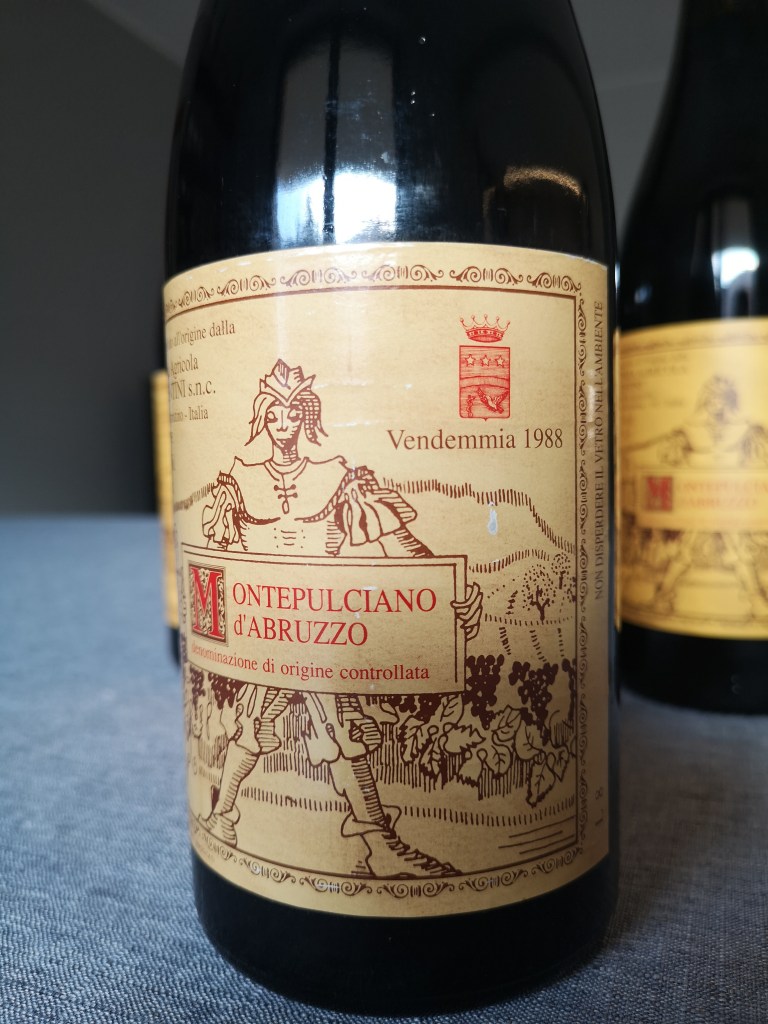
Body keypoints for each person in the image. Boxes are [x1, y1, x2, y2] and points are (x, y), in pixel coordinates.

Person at [199, 359, 481, 878]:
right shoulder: (239, 480)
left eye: (293, 413)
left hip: (325, 629)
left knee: (326, 728)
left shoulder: (336, 477)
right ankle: (369, 843)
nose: (283, 423)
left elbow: (394, 538)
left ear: (307, 416)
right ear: (262, 418)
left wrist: (452, 590)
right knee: (265, 727)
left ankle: (237, 819)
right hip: (269, 631)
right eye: (273, 414)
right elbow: (215, 559)